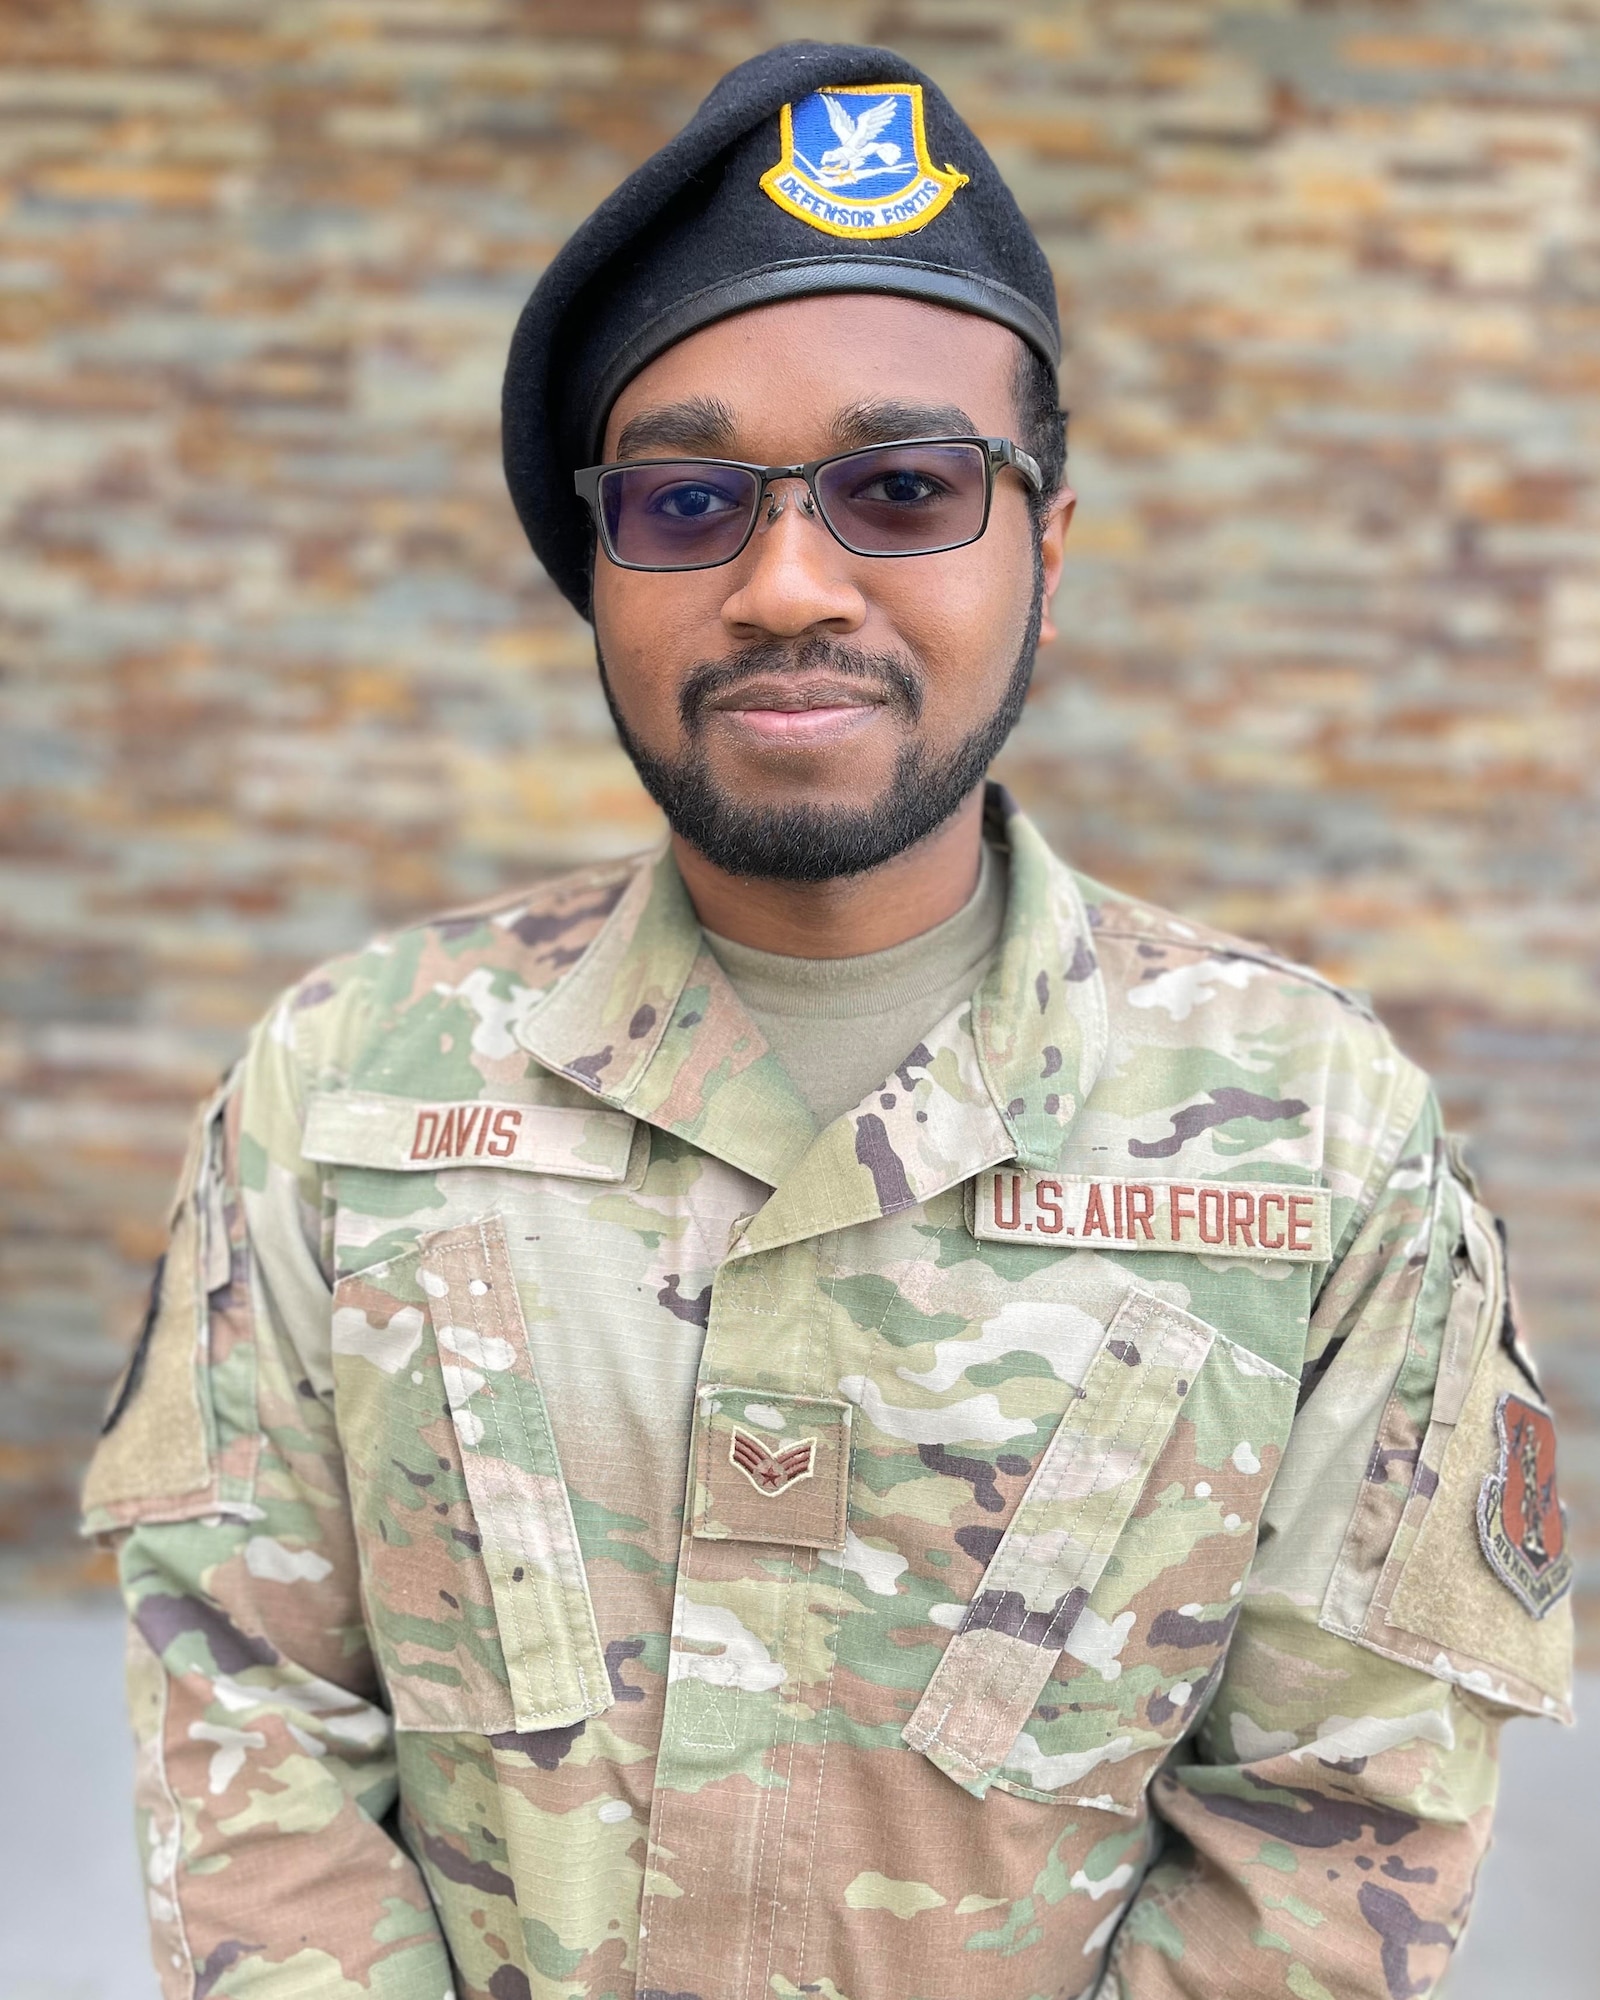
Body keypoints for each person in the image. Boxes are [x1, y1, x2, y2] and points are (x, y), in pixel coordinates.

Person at [82, 40, 1574, 2000]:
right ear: (599, 572)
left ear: (1045, 540)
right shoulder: (347, 1090)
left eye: (899, 487)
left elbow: (1327, 1838)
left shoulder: (1308, 1135)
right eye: (690, 500)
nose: (788, 583)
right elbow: (249, 1740)